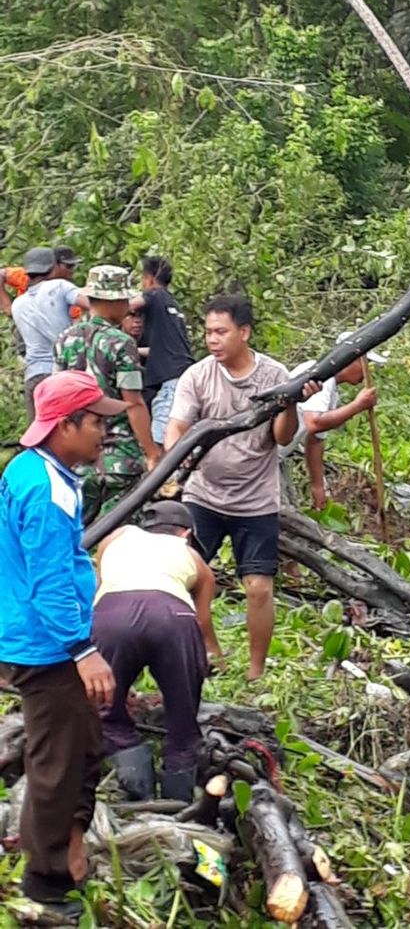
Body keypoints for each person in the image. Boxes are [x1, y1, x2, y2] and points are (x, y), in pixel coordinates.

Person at [0, 371, 120, 920]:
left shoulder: (36, 471)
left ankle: (69, 848)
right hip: (44, 644)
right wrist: (81, 648)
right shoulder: (45, 488)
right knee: (56, 759)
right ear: (64, 425)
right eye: (95, 422)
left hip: (40, 633)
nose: (103, 433)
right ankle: (45, 885)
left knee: (82, 738)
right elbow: (48, 580)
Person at [165, 295, 320, 680]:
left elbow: (283, 439)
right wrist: (175, 456)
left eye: (221, 332)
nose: (212, 340)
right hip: (204, 495)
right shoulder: (197, 376)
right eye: (208, 333)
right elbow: (177, 427)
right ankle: (210, 651)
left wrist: (288, 404)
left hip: (256, 499)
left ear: (244, 332)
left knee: (259, 589)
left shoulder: (274, 374)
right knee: (190, 577)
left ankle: (255, 672)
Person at [92, 501, 221, 802]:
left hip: (112, 617)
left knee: (106, 708)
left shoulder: (114, 538)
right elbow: (201, 623)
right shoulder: (194, 559)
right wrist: (211, 657)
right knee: (183, 715)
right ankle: (178, 798)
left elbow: (100, 590)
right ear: (185, 534)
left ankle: (137, 780)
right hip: (174, 619)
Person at [54, 265, 159, 522]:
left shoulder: (64, 339)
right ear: (112, 301)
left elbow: (56, 397)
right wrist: (152, 453)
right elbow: (133, 403)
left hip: (77, 455)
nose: (127, 305)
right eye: (124, 300)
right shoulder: (121, 343)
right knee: (121, 536)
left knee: (78, 533)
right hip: (120, 458)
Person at [279, 331, 383, 509]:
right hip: (260, 458)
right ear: (351, 359)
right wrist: (358, 405)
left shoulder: (332, 390)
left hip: (275, 459)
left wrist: (318, 487)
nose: (367, 373)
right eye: (366, 364)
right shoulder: (319, 374)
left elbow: (315, 439)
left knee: (289, 512)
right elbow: (314, 422)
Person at [3, 247, 89, 419]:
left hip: (34, 376)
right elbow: (94, 306)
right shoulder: (60, 286)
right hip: (60, 373)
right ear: (53, 266)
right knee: (72, 430)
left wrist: (7, 307)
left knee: (39, 434)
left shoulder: (18, 303)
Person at [129, 256, 194, 447]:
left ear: (149, 279)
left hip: (170, 381)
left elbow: (129, 305)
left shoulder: (155, 295)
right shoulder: (171, 305)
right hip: (183, 373)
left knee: (162, 441)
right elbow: (156, 350)